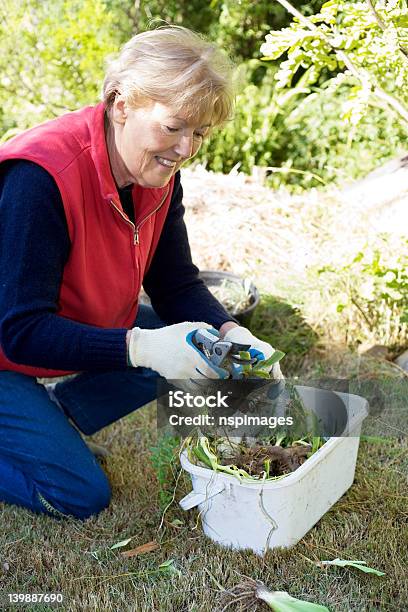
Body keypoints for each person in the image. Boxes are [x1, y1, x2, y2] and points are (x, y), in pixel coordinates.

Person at [0, 26, 280, 520]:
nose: (186, 147)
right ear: (121, 103)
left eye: (200, 133)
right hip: (9, 346)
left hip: (59, 326)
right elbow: (20, 332)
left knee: (203, 348)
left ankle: (54, 419)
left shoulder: (158, 176)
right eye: (174, 127)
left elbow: (176, 285)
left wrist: (236, 335)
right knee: (81, 496)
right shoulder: (40, 179)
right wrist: (142, 347)